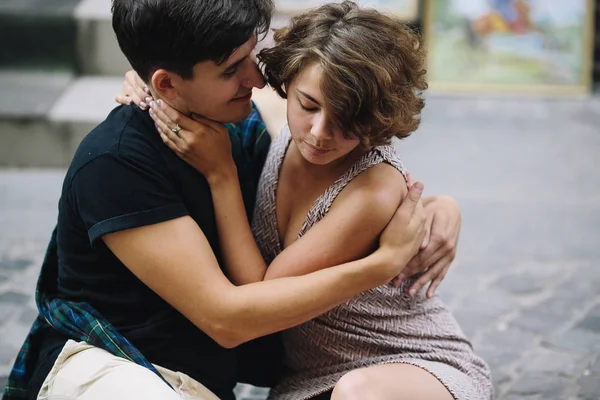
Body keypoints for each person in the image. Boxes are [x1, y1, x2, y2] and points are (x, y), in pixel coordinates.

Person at [1, 2, 459, 400]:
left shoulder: (241, 125)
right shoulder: (117, 162)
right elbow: (229, 318)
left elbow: (356, 182)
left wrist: (438, 205)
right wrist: (383, 262)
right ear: (165, 85)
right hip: (108, 363)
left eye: (251, 55)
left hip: (343, 365)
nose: (256, 78)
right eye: (230, 69)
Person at [129, 2, 493, 399]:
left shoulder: (373, 190)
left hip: (410, 365)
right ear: (287, 82)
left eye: (345, 118)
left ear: (375, 115)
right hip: (311, 380)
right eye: (308, 105)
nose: (319, 133)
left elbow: (260, 293)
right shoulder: (282, 127)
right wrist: (143, 81)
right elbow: (193, 83)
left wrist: (222, 176)